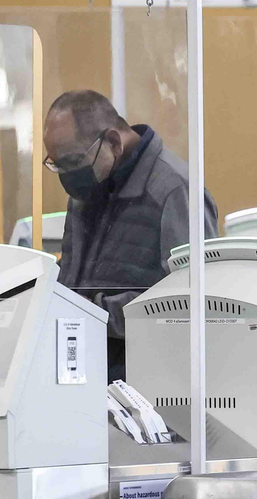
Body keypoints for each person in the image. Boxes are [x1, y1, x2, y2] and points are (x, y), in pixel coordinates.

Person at [42, 90, 219, 383]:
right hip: (82, 374)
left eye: (73, 162)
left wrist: (94, 311)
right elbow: (73, 277)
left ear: (114, 142)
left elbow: (191, 304)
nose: (67, 175)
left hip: (146, 387)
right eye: (57, 164)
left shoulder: (175, 193)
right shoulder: (90, 184)